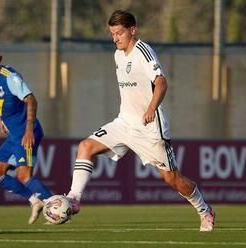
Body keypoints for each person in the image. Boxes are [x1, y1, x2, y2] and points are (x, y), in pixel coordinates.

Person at [66, 10, 215, 232]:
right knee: (85, 146)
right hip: (124, 123)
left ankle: (204, 210)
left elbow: (161, 83)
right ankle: (74, 199)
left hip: (150, 129)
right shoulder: (117, 55)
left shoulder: (143, 52)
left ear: (132, 30)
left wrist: (151, 108)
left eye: (119, 33)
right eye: (112, 34)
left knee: (172, 179)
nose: (115, 38)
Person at [0, 43, 52, 224]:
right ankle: (35, 200)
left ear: (0, 59)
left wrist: (28, 130)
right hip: (13, 134)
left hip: (25, 131)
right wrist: (0, 118)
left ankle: (58, 206)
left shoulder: (10, 77)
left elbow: (31, 100)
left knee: (24, 176)